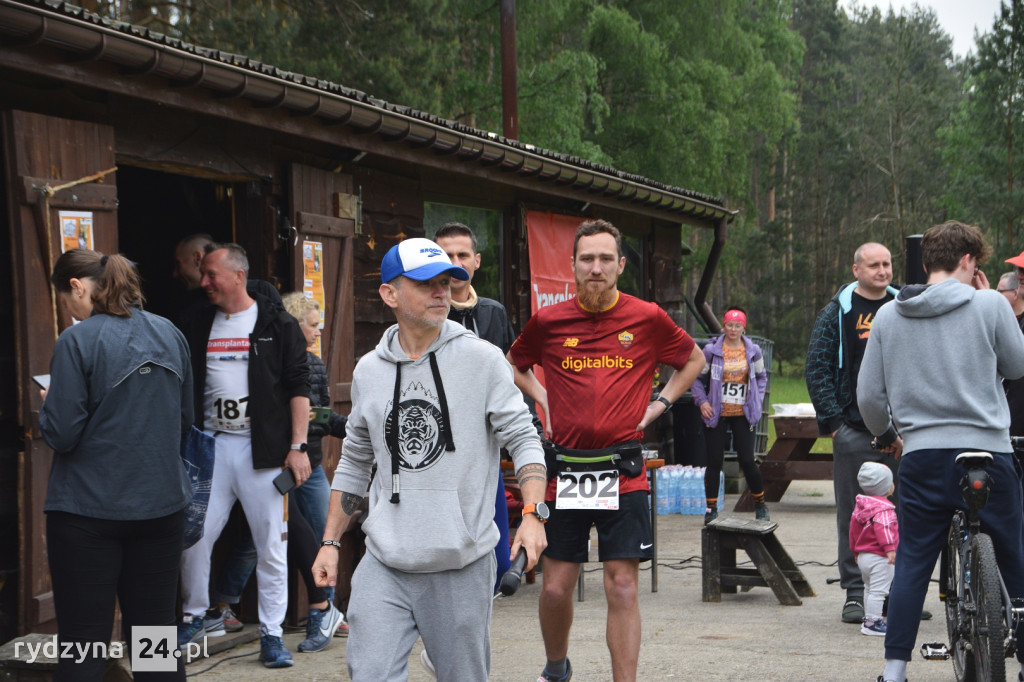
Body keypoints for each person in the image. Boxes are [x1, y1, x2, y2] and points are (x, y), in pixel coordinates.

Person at [311, 237, 548, 681]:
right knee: (370, 673)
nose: (442, 292)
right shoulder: (369, 370)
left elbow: (524, 439)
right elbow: (356, 461)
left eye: (447, 282)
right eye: (426, 283)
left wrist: (533, 514)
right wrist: (330, 541)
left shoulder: (483, 360)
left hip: (460, 564)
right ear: (389, 294)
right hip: (385, 562)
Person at [507, 219, 705, 682]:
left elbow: (693, 359)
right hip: (566, 472)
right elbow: (514, 363)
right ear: (573, 267)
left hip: (623, 469)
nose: (595, 268)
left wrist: (659, 405)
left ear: (619, 265)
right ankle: (557, 667)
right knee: (555, 589)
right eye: (586, 259)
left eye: (604, 259)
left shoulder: (648, 317)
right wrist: (542, 396)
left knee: (621, 585)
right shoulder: (549, 320)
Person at [857, 220, 1024, 682]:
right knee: (1012, 553)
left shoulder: (889, 315)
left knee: (912, 561)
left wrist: (887, 433)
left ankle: (894, 671)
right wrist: (994, 305)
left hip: (924, 458)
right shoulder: (991, 304)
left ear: (925, 264)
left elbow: (869, 397)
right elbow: (1017, 365)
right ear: (970, 262)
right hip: (988, 455)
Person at [39, 249, 192, 681]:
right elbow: (184, 420)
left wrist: (51, 407)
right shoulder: (170, 333)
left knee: (84, 641)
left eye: (65, 299)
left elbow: (63, 433)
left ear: (77, 286)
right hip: (161, 508)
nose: (68, 311)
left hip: (87, 510)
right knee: (155, 639)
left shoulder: (77, 339)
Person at [177, 243, 311, 668]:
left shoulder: (277, 323)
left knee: (270, 543)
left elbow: (298, 387)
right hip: (212, 446)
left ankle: (272, 634)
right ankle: (194, 615)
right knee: (195, 535)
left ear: (237, 275)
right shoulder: (199, 321)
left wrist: (297, 447)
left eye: (211, 274)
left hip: (264, 452)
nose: (204, 283)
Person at [805, 241, 902, 625]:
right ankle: (856, 593)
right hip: (855, 430)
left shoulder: (904, 308)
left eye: (887, 264)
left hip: (902, 431)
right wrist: (835, 424)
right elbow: (817, 369)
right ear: (856, 269)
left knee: (904, 514)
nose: (882, 271)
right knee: (856, 515)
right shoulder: (837, 314)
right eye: (874, 265)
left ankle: (898, 592)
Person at [434, 221, 519, 592]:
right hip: (439, 453)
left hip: (486, 451)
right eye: (446, 255)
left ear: (477, 260)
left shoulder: (493, 313)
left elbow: (513, 374)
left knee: (498, 560)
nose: (455, 262)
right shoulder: (427, 313)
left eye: (462, 254)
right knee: (446, 553)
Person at [690, 307, 769, 524]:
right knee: (714, 461)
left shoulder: (753, 351)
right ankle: (711, 508)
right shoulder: (711, 351)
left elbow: (762, 378)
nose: (733, 329)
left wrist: (757, 399)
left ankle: (760, 504)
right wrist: (703, 401)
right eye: (729, 325)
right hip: (716, 411)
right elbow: (696, 380)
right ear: (724, 326)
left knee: (747, 459)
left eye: (737, 325)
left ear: (744, 327)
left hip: (743, 413)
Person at [849, 462, 898, 637]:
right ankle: (873, 623)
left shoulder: (862, 506)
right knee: (879, 591)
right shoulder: (884, 509)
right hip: (880, 556)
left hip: (864, 556)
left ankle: (868, 619)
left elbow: (853, 531)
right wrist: (890, 549)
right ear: (887, 486)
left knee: (869, 588)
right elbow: (884, 528)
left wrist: (855, 551)